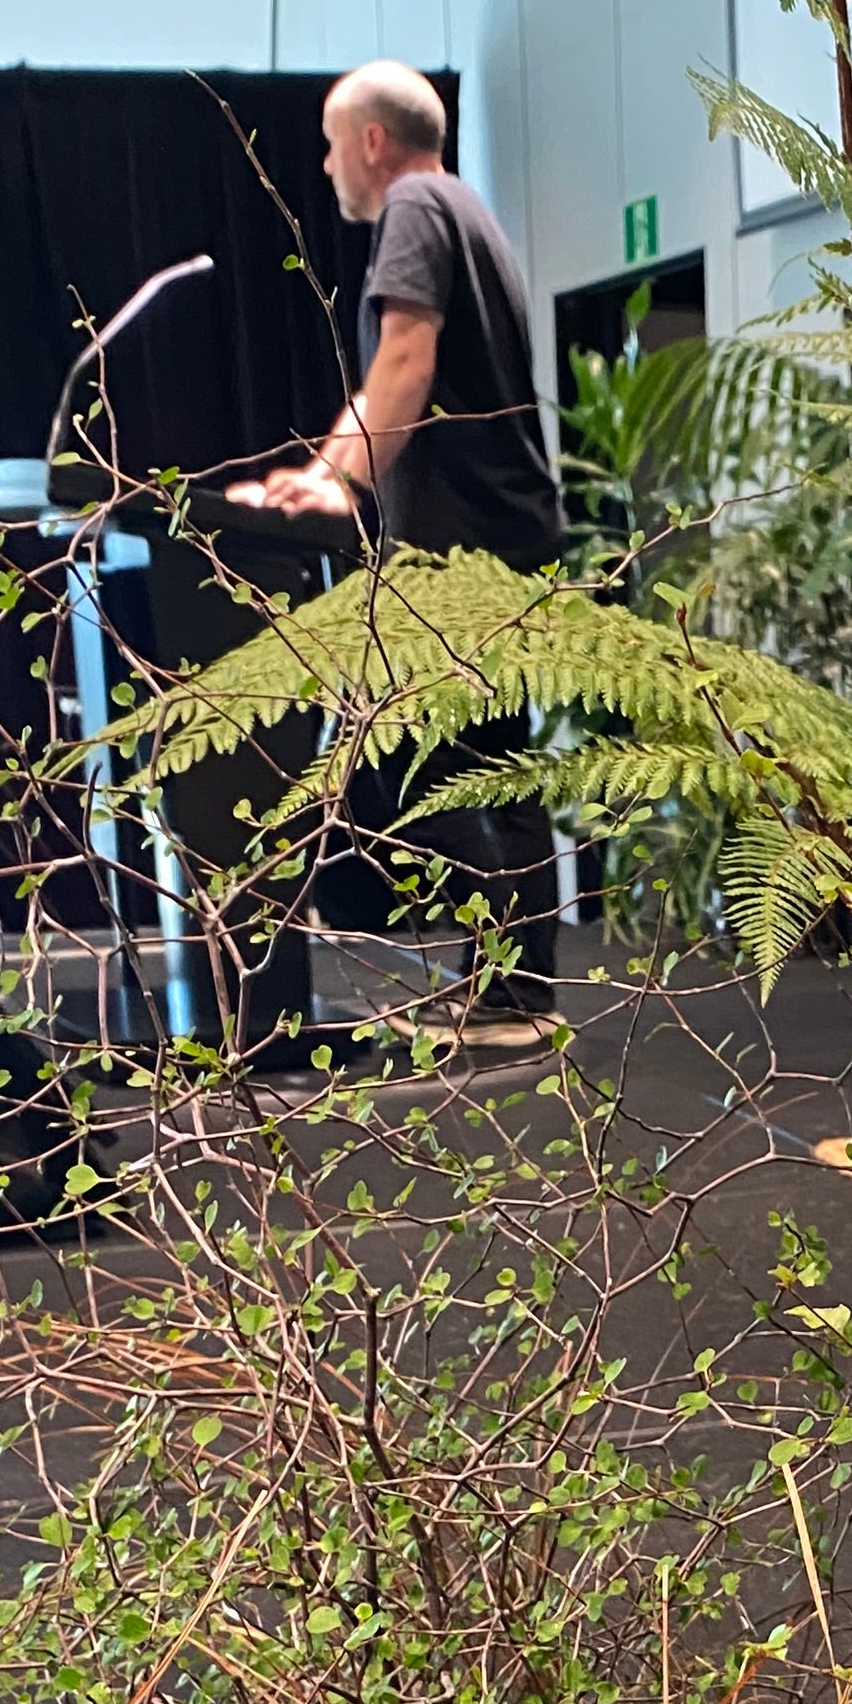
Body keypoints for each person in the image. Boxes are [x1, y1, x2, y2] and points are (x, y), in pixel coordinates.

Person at [231, 62, 564, 1022]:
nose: (328, 163)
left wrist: (339, 479)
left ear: (371, 141)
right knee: (495, 761)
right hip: (507, 534)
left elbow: (407, 359)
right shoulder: (461, 204)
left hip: (463, 549)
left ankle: (506, 992)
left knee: (440, 762)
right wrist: (323, 470)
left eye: (334, 143)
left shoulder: (414, 205)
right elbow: (391, 375)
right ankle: (514, 986)